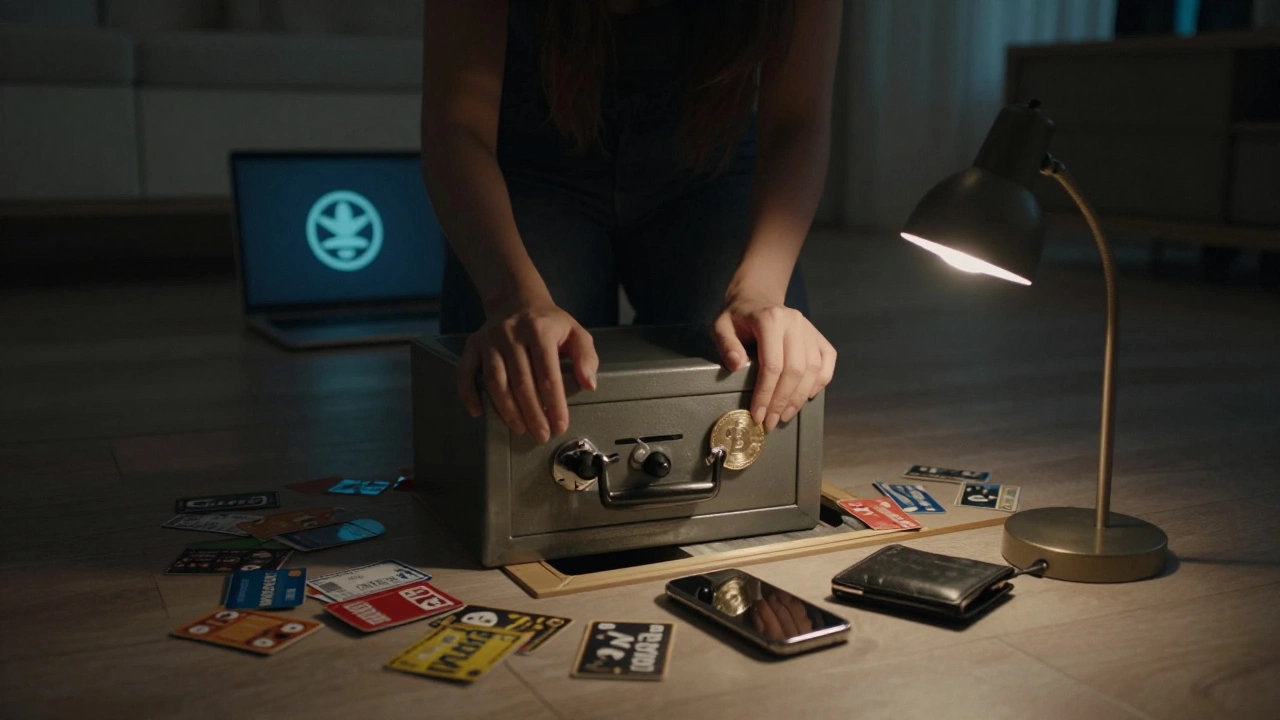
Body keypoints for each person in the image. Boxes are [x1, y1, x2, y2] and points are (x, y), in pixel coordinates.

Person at [421, 0, 841, 444]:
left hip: (709, 152)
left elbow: (797, 119)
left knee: (750, 368)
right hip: (531, 158)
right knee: (519, 385)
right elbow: (458, 126)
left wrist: (760, 292)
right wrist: (512, 299)